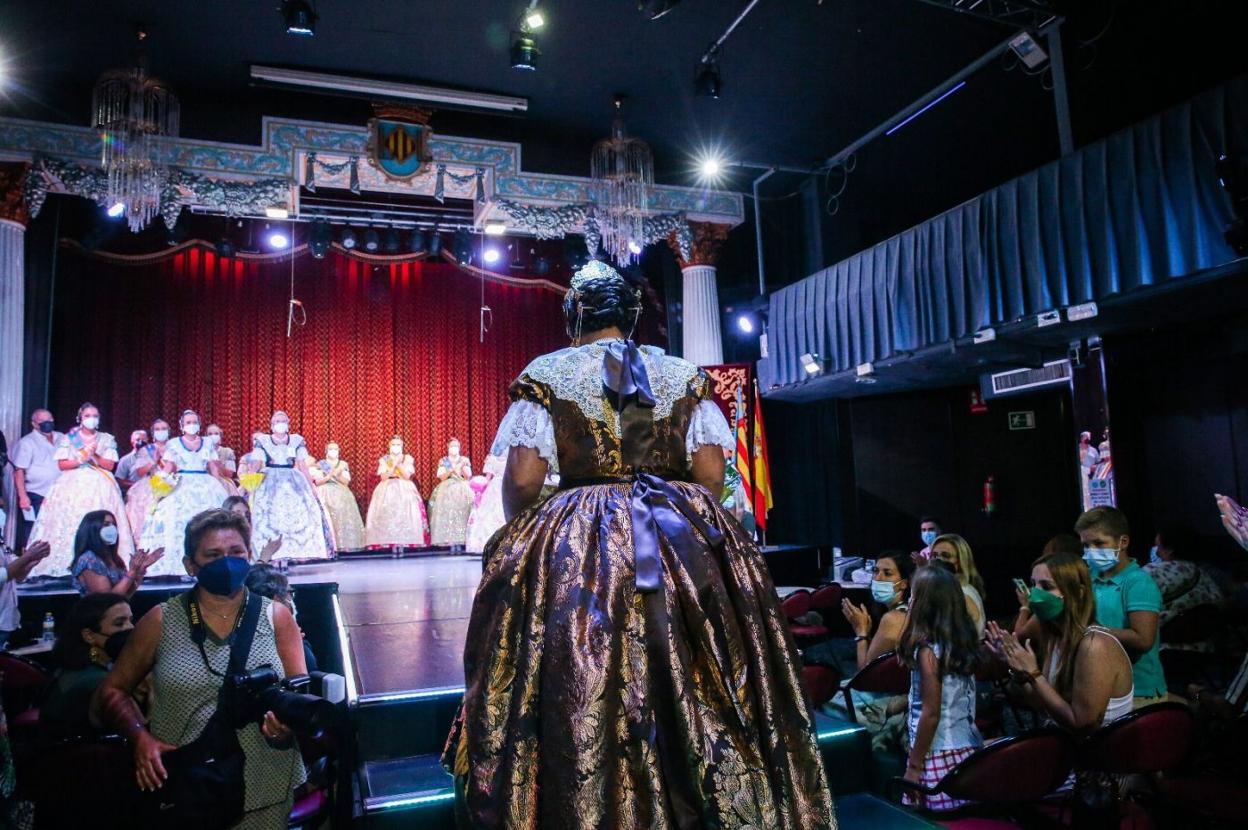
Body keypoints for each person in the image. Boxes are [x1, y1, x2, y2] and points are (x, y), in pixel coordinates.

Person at [442, 260, 834, 826]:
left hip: (582, 539)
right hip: (678, 534)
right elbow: (711, 474)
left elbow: (524, 481)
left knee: (583, 668)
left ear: (575, 315)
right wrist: (685, 522)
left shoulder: (547, 373)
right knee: (709, 665)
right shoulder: (682, 373)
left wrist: (526, 539)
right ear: (631, 316)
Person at [94, 508, 307, 829]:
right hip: (187, 786)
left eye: (236, 552)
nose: (227, 562)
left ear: (249, 556)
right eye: (213, 555)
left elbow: (298, 690)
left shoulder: (276, 617)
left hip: (264, 786)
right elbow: (112, 691)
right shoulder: (161, 620)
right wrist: (139, 737)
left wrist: (288, 724)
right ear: (190, 565)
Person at [987, 551, 1134, 734]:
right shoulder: (1054, 637)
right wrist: (1019, 672)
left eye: (1047, 586)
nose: (1034, 594)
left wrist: (1034, 674)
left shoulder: (1094, 645)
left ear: (1078, 593)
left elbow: (1082, 724)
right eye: (1033, 584)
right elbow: (1043, 705)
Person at [900, 565, 983, 812]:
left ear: (922, 606)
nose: (909, 602)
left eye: (913, 596)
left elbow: (931, 713)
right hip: (966, 748)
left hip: (936, 754)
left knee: (927, 819)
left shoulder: (928, 652)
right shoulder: (960, 644)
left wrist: (914, 767)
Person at [29, 403, 136, 576]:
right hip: (72, 484)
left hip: (100, 485)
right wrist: (80, 459)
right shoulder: (70, 437)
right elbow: (62, 464)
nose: (91, 419)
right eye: (87, 416)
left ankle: (105, 564)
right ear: (80, 418)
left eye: (95, 416)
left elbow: (109, 465)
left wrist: (93, 455)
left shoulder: (106, 439)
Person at [1075, 506, 1167, 707]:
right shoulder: (1089, 577)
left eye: (1099, 543)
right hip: (1099, 683)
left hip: (1138, 691)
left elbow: (1143, 639)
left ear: (1123, 542)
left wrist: (1093, 631)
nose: (1091, 551)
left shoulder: (1138, 582)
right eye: (1086, 545)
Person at [141, 409, 230, 573]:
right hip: (181, 485)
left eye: (194, 422)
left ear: (199, 424)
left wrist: (220, 486)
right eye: (188, 422)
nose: (192, 425)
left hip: (206, 484)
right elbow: (169, 467)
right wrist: (159, 488)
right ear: (182, 426)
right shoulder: (174, 444)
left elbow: (213, 468)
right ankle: (179, 566)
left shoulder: (207, 443)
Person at [41, 592, 134, 739]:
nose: (131, 628)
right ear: (89, 636)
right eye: (119, 623)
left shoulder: (78, 666)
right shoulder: (96, 681)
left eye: (131, 620)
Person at [243, 411, 333, 561]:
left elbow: (302, 466)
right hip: (270, 480)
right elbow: (257, 464)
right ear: (272, 425)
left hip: (293, 478)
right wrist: (250, 483)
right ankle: (271, 555)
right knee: (268, 516)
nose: (281, 424)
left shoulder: (296, 440)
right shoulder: (263, 441)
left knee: (300, 513)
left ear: (288, 424)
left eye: (283, 421)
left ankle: (291, 554)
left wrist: (311, 486)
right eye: (277, 421)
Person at [1144, 525, 1225, 652]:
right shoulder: (1204, 576)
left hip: (1161, 653)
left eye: (1158, 546)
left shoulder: (1152, 572)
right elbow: (1219, 605)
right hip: (1203, 654)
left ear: (1170, 549)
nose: (1157, 552)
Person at [244, 563, 317, 673]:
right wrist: (294, 640)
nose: (291, 599)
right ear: (276, 600)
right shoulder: (298, 649)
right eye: (290, 593)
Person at [69, 510, 162, 596]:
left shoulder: (112, 557)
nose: (112, 528)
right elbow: (107, 600)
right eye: (106, 524)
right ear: (93, 529)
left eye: (113, 524)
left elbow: (125, 596)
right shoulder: (88, 559)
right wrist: (132, 572)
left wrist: (140, 570)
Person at [12, 408, 62, 551]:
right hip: (37, 493)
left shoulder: (62, 437)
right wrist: (23, 497)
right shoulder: (27, 442)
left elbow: (80, 447)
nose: (48, 423)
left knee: (55, 530)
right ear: (34, 424)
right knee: (34, 530)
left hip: (59, 493)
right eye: (43, 421)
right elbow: (19, 471)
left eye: (50, 420)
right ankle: (28, 560)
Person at [365, 437, 426, 547]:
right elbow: (383, 477)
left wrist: (399, 464)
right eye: (393, 444)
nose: (396, 447)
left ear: (402, 446)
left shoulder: (407, 458)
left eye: (398, 445)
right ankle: (387, 542)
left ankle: (407, 541)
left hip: (404, 487)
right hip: (387, 487)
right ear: (389, 446)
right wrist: (393, 465)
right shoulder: (385, 459)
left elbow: (407, 476)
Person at [309, 441, 365, 551]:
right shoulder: (321, 464)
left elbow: (346, 481)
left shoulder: (342, 464)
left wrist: (336, 474)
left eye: (335, 449)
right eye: (331, 449)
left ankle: (342, 545)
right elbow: (318, 482)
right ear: (326, 451)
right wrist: (329, 475)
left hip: (341, 492)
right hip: (324, 492)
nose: (333, 451)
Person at [930, 533, 987, 638]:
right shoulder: (950, 588)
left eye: (946, 556)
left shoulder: (961, 593)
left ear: (961, 561)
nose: (938, 560)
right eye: (934, 555)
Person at [125, 418, 170, 543]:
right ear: (153, 432)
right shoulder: (146, 450)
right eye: (157, 429)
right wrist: (154, 461)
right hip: (151, 483)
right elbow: (140, 472)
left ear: (168, 431)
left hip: (171, 482)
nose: (161, 431)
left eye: (164, 429)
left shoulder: (175, 447)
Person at [0, 539, 52, 648]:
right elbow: (2, 576)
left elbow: (16, 577)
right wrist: (27, 557)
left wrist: (29, 563)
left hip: (7, 622)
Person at [428, 438, 474, 546]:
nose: (454, 448)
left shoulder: (464, 459)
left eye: (456, 446)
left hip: (462, 487)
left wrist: (461, 467)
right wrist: (452, 469)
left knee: (463, 512)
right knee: (447, 514)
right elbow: (442, 477)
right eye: (452, 446)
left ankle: (463, 539)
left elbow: (468, 476)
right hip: (446, 487)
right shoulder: (444, 461)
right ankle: (449, 540)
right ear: (448, 447)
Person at [465, 454, 507, 554]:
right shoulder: (493, 459)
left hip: (503, 486)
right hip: (497, 487)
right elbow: (487, 478)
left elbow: (488, 479)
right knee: (490, 513)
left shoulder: (509, 458)